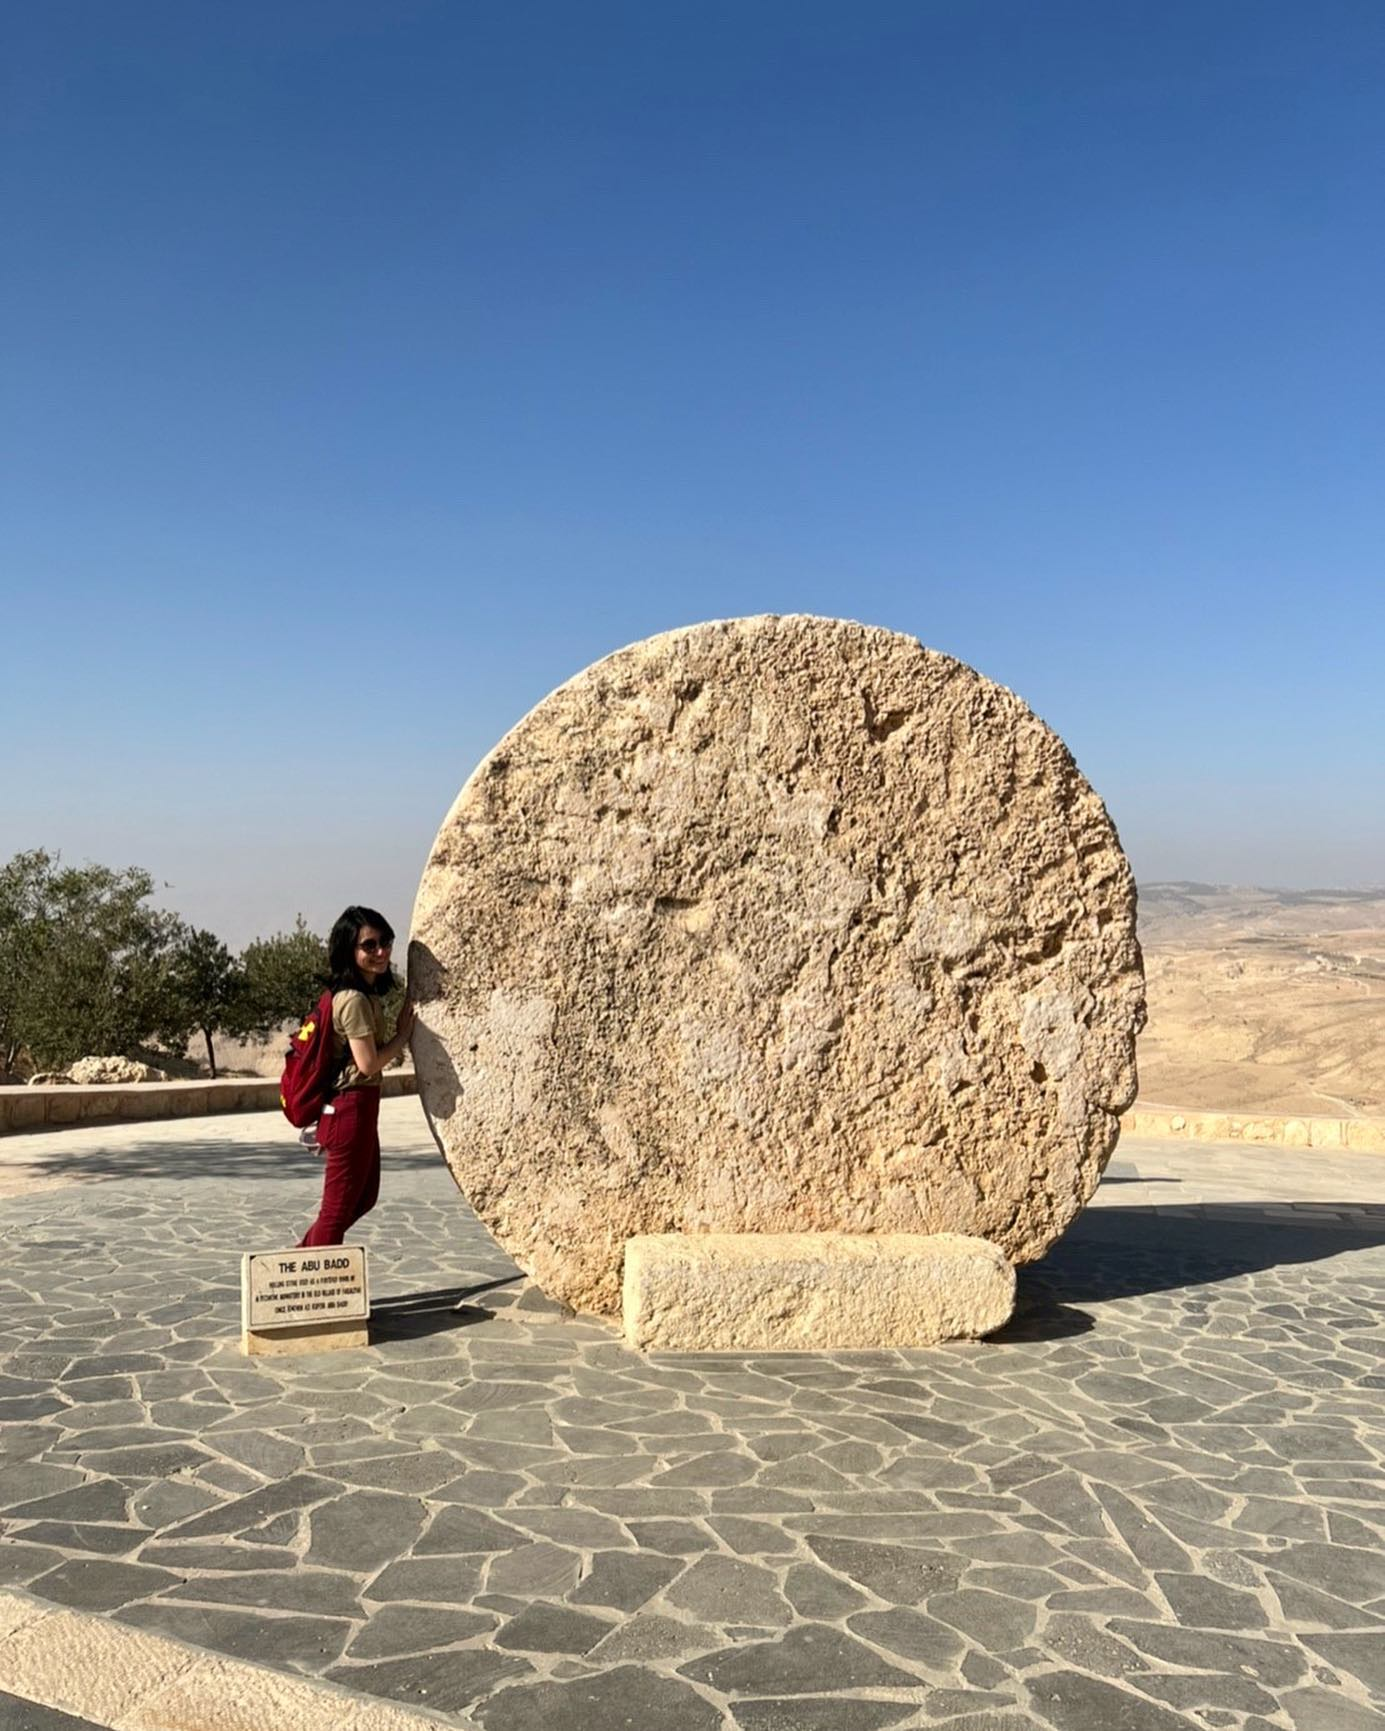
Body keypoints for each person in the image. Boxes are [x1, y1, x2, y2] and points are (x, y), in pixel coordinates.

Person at [298, 905, 415, 1248]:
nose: (381, 952)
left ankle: (298, 1261)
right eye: (369, 945)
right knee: (336, 1213)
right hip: (349, 1109)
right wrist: (403, 1035)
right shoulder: (353, 1000)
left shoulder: (365, 995)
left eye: (385, 942)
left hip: (361, 1107)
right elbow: (367, 1064)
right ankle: (309, 1272)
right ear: (349, 949)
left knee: (364, 1197)